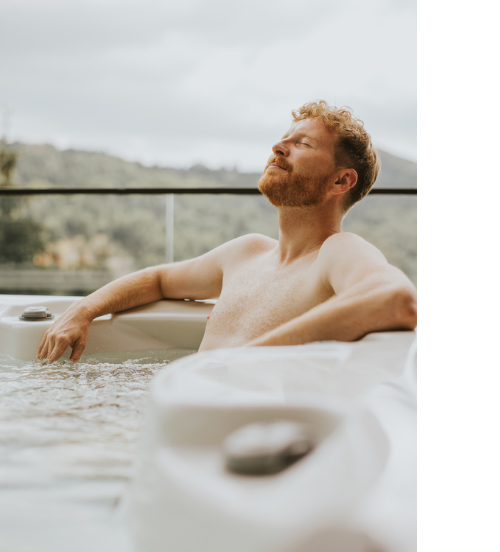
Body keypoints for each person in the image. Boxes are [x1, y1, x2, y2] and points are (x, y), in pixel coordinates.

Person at [36, 100, 417, 363]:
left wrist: (235, 364)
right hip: (192, 409)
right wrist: (82, 310)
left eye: (301, 143)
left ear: (341, 181)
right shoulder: (246, 252)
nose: (278, 147)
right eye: (284, 137)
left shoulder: (337, 252)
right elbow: (157, 279)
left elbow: (398, 300)